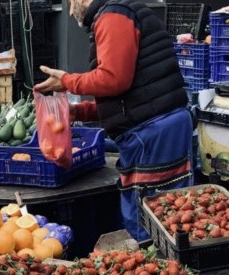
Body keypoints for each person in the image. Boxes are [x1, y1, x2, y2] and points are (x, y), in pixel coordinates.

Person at [35, 0, 193, 241]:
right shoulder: (121, 12)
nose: (69, 11)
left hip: (152, 132)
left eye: (69, 3)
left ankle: (159, 271)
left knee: (151, 219)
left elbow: (113, 79)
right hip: (158, 126)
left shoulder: (113, 15)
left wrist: (67, 81)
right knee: (169, 215)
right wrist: (81, 112)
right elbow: (130, 94)